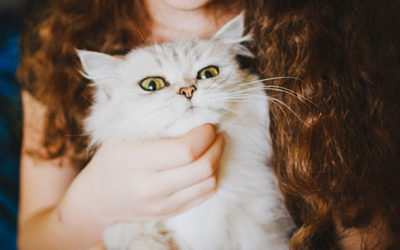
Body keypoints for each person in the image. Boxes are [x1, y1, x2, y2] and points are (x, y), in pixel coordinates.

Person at [17, 0, 400, 249]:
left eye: (206, 73)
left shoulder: (337, 34)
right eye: (154, 84)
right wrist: (92, 201)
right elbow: (30, 240)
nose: (186, 91)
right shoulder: (53, 45)